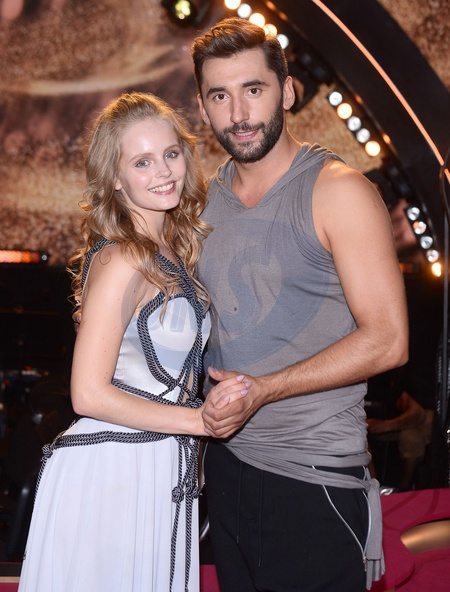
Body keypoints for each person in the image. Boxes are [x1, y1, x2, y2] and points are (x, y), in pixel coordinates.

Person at [191, 17, 408, 592]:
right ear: (204, 108)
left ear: (287, 92)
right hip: (226, 467)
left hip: (314, 474)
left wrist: (266, 389)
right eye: (220, 95)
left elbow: (389, 340)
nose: (239, 113)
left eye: (253, 89)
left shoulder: (339, 191)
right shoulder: (202, 203)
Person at [17, 91, 248, 592]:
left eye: (170, 153)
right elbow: (87, 394)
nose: (163, 171)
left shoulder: (174, 251)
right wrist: (199, 422)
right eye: (142, 162)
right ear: (116, 178)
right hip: (114, 471)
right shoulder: (121, 258)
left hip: (159, 465)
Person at [365, 367, 432, 489]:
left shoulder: (388, 380)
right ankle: (374, 488)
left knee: (411, 437)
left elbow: (418, 414)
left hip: (417, 416)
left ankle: (405, 487)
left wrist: (385, 426)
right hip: (379, 423)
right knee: (358, 438)